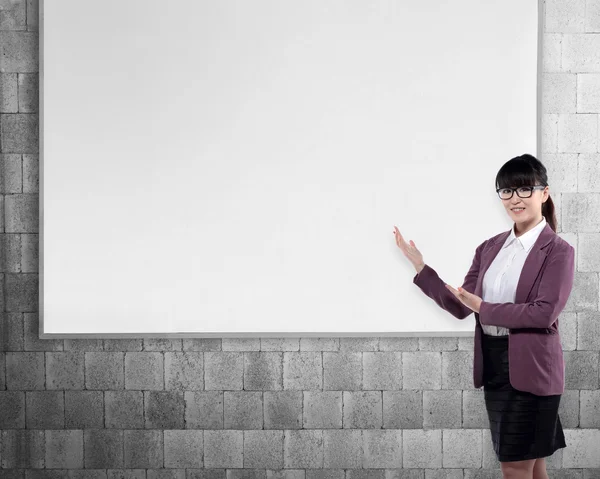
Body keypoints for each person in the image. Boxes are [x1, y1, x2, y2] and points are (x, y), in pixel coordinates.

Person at [393, 154, 575, 479]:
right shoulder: (490, 248)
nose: (514, 199)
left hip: (532, 369)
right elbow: (462, 305)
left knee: (516, 466)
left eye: (524, 190)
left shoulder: (558, 251)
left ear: (544, 193)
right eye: (506, 191)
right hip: (494, 365)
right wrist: (421, 268)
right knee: (533, 466)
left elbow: (543, 313)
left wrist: (484, 308)